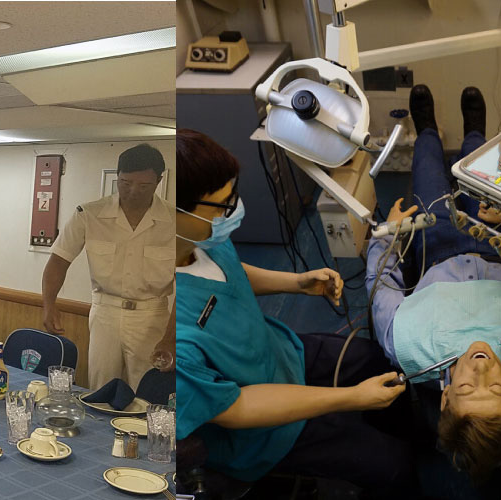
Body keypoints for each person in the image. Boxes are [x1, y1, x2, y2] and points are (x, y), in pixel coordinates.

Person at [175, 128, 414, 495]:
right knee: (391, 466)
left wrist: (297, 282)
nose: (234, 209)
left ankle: (400, 425)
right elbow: (237, 408)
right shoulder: (174, 336)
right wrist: (352, 398)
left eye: (233, 195)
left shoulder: (203, 237)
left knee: (376, 359)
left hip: (282, 353)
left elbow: (226, 274)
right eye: (223, 204)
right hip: (262, 430)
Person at [366, 85, 501, 481]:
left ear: (444, 398)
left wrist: (390, 232)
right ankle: (475, 130)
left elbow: (381, 283)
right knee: (481, 163)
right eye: (494, 390)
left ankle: (426, 128)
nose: (479, 372)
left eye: (464, 390)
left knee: (426, 166)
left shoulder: (408, 345)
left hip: (435, 243)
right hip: (497, 240)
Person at [41, 144, 175, 389]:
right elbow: (58, 261)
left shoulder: (176, 221)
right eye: (125, 182)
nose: (133, 191)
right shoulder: (89, 214)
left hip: (152, 315)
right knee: (101, 388)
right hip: (105, 311)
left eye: (143, 185)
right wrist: (49, 304)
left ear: (159, 181)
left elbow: (189, 285)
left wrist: (171, 338)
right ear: (117, 176)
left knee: (148, 390)